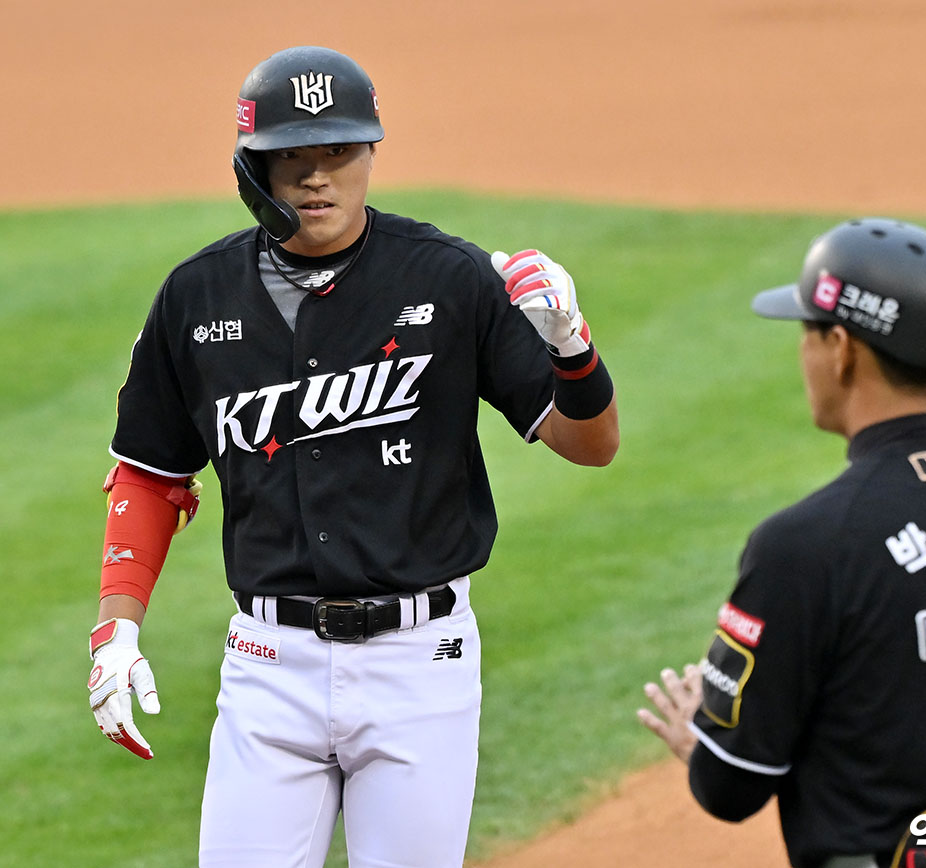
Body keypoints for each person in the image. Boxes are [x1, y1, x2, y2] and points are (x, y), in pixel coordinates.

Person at [85, 45, 618, 868]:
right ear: (251, 170)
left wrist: (572, 349)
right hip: (268, 668)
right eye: (292, 156)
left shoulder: (449, 277)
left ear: (371, 153)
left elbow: (590, 444)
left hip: (421, 666)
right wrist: (115, 633)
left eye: (340, 151)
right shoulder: (196, 298)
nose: (317, 177)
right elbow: (152, 473)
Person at [638, 218, 926, 868]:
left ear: (842, 348)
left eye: (807, 332)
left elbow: (732, 787)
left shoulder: (802, 545)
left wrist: (704, 738)